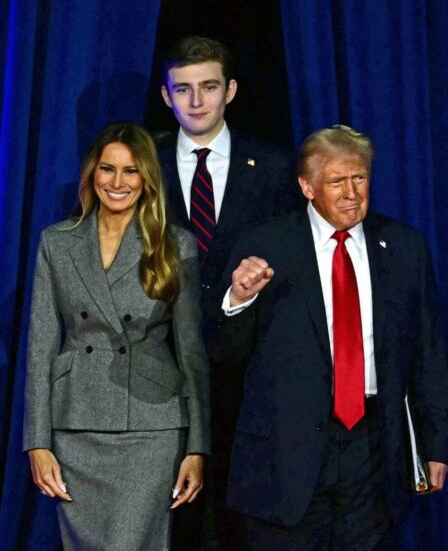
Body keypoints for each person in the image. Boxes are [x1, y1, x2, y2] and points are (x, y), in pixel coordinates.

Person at [211, 125, 448, 550]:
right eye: (337, 181)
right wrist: (238, 300)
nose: (352, 193)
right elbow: (223, 353)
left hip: (375, 450)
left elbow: (429, 353)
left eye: (359, 178)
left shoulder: (404, 246)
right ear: (307, 186)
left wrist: (436, 445)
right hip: (286, 455)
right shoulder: (266, 244)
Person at [23, 122, 210, 551]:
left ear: (147, 179)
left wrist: (198, 448)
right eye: (107, 169)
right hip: (75, 425)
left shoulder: (173, 244)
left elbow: (191, 352)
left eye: (131, 171)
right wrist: (37, 441)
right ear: (92, 173)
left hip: (151, 428)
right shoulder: (57, 242)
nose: (117, 182)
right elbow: (40, 348)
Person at [158, 34, 304, 550]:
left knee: (237, 518)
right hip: (160, 371)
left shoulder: (273, 168)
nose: (196, 102)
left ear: (231, 90)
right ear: (166, 96)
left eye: (209, 87)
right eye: (184, 89)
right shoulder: (141, 164)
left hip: (246, 370)